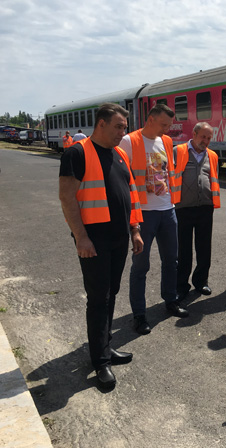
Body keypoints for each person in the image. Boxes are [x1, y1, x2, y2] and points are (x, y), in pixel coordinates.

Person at [59, 103, 144, 390]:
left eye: (125, 127)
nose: (124, 132)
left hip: (119, 238)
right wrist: (80, 237)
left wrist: (135, 230)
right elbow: (67, 198)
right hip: (93, 240)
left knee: (112, 293)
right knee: (99, 298)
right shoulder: (77, 153)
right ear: (101, 124)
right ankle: (100, 361)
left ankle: (105, 347)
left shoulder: (119, 154)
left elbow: (130, 194)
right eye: (119, 126)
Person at [119, 103, 188, 335]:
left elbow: (167, 174)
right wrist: (132, 222)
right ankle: (139, 315)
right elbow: (122, 180)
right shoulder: (129, 142)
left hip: (167, 209)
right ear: (150, 119)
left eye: (169, 125)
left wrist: (173, 204)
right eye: (163, 124)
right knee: (141, 265)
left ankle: (170, 300)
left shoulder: (166, 142)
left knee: (172, 260)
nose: (167, 130)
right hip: (143, 213)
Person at [173, 122, 220, 301]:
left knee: (204, 247)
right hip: (182, 208)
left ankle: (201, 281)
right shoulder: (179, 151)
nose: (206, 141)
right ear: (194, 134)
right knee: (183, 249)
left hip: (205, 208)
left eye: (209, 138)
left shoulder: (213, 156)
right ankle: (181, 286)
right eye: (203, 137)